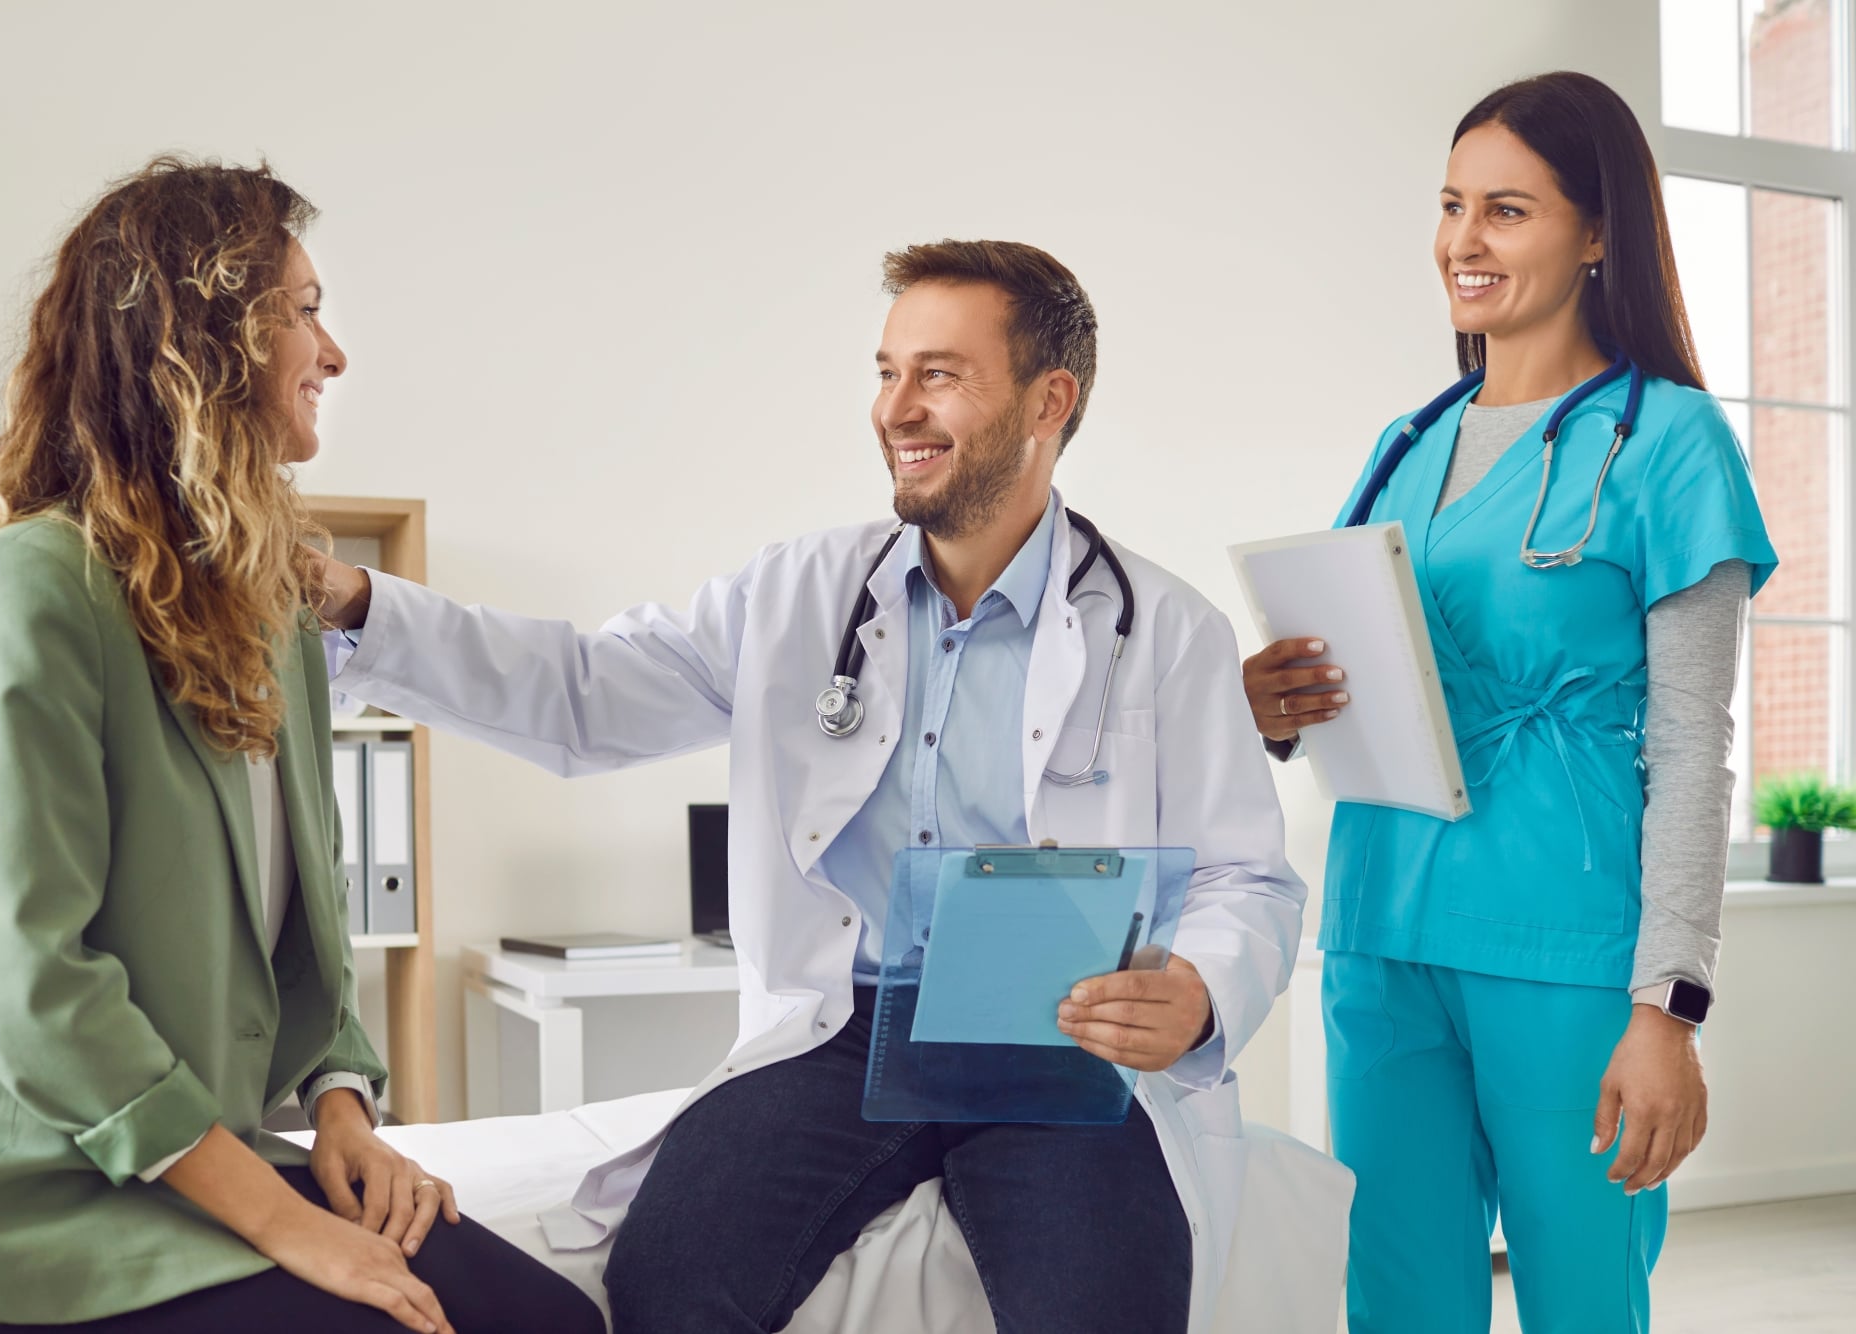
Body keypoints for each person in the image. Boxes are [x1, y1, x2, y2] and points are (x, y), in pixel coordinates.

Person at [314, 239, 1305, 1333]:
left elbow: (1242, 878)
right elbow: (582, 691)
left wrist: (1201, 990)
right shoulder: (795, 595)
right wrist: (360, 603)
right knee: (669, 1282)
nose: (896, 408)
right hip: (843, 1029)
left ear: (1047, 400)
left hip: (1057, 1038)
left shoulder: (1161, 629)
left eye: (938, 373)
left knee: (1100, 1306)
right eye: (885, 372)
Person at [0, 157, 605, 1334]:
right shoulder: (31, 590)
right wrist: (288, 1218)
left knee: (554, 1320)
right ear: (208, 342)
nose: (333, 353)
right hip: (40, 1198)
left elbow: (305, 927)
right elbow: (35, 987)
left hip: (201, 1169)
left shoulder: (271, 604)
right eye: (304, 312)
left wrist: (346, 1111)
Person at [1240, 73, 1776, 1333]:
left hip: (1564, 946)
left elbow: (1694, 745)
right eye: (1448, 205)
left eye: (1505, 210)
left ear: (1597, 233)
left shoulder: (1668, 441)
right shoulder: (1402, 442)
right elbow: (1355, 673)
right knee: (1397, 1298)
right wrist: (1273, 702)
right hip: (1381, 930)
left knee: (1581, 1296)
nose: (1460, 242)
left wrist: (1668, 1005)